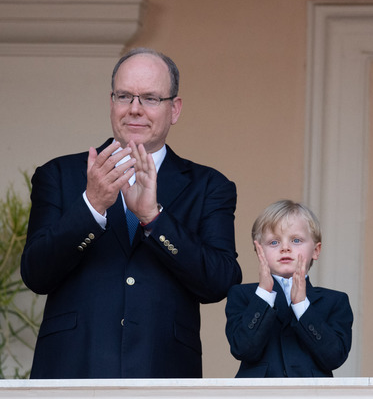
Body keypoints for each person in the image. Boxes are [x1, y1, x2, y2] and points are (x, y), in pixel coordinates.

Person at [20, 48, 243, 378]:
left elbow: (221, 282)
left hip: (163, 373)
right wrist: (92, 206)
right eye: (125, 96)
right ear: (112, 102)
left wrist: (154, 218)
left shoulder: (210, 185)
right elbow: (35, 274)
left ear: (174, 109)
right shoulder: (59, 175)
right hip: (72, 369)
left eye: (150, 98)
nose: (135, 109)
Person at [225, 200, 353, 377]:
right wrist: (264, 295)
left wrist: (302, 306)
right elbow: (243, 349)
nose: (285, 248)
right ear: (258, 250)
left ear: (316, 250)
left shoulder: (336, 301)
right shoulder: (242, 295)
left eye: (296, 240)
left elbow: (334, 357)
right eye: (274, 242)